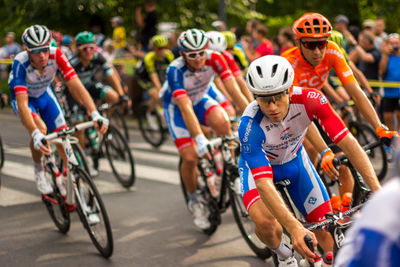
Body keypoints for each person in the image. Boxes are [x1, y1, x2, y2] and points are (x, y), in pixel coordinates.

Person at [239, 55, 381, 266]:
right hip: (260, 170)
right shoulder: (249, 125)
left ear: (288, 89)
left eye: (277, 96)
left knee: (327, 235)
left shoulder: (311, 99)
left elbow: (349, 144)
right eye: (263, 98)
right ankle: (282, 254)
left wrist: (377, 190)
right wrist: (294, 227)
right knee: (268, 224)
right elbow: (263, 183)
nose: (271, 106)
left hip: (295, 162)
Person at [281, 12, 397, 194]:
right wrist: (323, 150)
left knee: (344, 159)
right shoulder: (288, 63)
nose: (317, 51)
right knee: (311, 148)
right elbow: (298, 112)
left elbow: (356, 94)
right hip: (294, 111)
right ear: (298, 43)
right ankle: (311, 192)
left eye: (321, 44)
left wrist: (379, 127)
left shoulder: (333, 51)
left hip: (316, 103)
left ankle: (372, 197)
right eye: (311, 45)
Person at [161, 28, 248, 230]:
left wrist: (251, 114)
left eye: (202, 52)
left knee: (224, 124)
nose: (198, 58)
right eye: (192, 54)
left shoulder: (215, 58)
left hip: (201, 100)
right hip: (178, 109)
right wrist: (199, 138)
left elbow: (234, 90)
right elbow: (184, 107)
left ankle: (228, 165)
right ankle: (194, 200)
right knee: (190, 157)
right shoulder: (175, 70)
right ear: (182, 54)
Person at [8, 25, 108, 195]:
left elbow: (77, 86)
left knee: (62, 136)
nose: (42, 55)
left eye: (45, 49)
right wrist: (35, 133)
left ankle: (65, 176)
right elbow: (23, 104)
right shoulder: (20, 62)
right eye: (36, 51)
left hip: (44, 94)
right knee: (40, 129)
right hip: (25, 99)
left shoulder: (56, 54)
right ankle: (39, 171)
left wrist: (94, 113)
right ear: (27, 50)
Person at [67, 31, 128, 174]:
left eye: (92, 47)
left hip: (89, 85)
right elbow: (72, 88)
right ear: (78, 50)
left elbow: (111, 74)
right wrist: (84, 106)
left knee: (113, 97)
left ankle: (102, 118)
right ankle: (83, 160)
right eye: (85, 48)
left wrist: (121, 94)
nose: (89, 51)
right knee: (79, 126)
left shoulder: (98, 57)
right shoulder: (73, 62)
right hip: (74, 91)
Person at [206, 31, 253, 104]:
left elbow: (239, 79)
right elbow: (218, 83)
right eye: (228, 49)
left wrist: (252, 102)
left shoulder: (227, 55)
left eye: (232, 48)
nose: (217, 56)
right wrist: (232, 101)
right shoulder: (203, 59)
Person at [135, 35, 174, 113]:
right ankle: (150, 113)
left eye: (165, 47)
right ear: (154, 49)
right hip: (145, 78)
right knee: (157, 96)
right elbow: (153, 76)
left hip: (159, 75)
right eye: (159, 48)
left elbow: (172, 73)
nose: (163, 50)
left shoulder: (169, 55)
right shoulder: (149, 58)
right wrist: (161, 91)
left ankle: (158, 109)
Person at [379, 33, 400, 132]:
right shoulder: (386, 56)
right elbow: (381, 72)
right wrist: (385, 55)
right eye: (392, 43)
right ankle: (392, 138)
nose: (394, 46)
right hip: (389, 92)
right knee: (387, 117)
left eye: (396, 43)